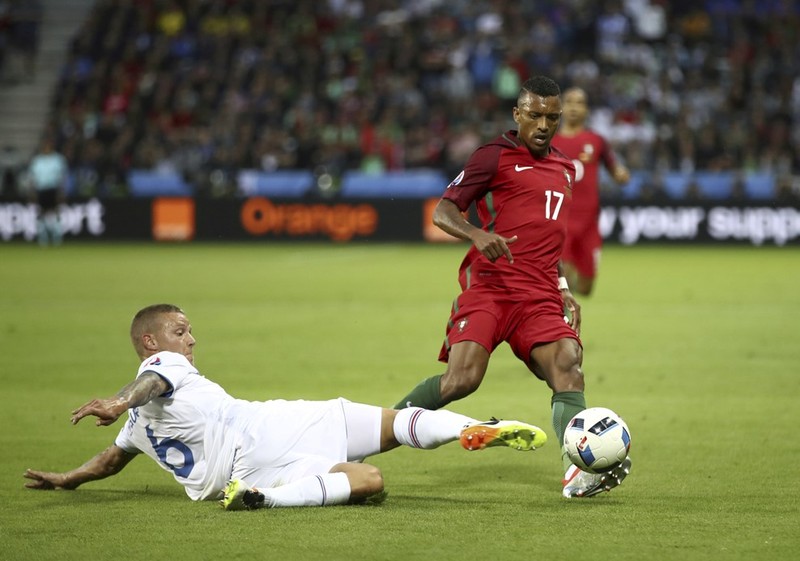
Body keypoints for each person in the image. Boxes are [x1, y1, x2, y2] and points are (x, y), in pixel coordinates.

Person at [24, 304, 547, 510]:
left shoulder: (138, 430)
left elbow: (110, 461)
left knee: (370, 482)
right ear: (148, 342)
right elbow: (153, 383)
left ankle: (264, 500)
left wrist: (69, 478)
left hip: (249, 470)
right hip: (270, 425)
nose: (190, 340)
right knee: (393, 425)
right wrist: (118, 401)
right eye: (180, 331)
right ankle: (468, 429)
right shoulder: (161, 370)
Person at [392, 76, 631, 498]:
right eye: (535, 115)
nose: (543, 124)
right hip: (491, 286)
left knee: (567, 364)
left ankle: (577, 473)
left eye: (551, 117)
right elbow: (444, 210)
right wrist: (476, 234)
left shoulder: (563, 168)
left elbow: (548, 236)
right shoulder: (493, 157)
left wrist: (561, 285)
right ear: (518, 114)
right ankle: (375, 430)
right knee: (461, 380)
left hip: (538, 294)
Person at [551, 87, 630, 296]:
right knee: (563, 278)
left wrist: (620, 174)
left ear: (586, 109)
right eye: (569, 102)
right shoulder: (548, 141)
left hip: (589, 223)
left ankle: (567, 287)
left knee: (586, 288)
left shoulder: (596, 141)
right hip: (560, 221)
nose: (574, 107)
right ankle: (560, 318)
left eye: (579, 103)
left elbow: (614, 167)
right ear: (560, 108)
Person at [28, 137, 68, 246]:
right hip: (41, 189)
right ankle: (43, 237)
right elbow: (33, 178)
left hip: (53, 188)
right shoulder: (37, 160)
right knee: (41, 213)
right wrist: (32, 192)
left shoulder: (58, 159)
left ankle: (56, 236)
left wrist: (61, 192)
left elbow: (62, 177)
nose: (46, 148)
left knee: (55, 212)